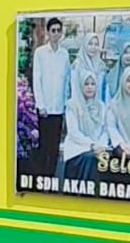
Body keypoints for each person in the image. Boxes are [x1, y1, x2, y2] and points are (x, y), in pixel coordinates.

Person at [31, 17, 69, 177]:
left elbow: (66, 80)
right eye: (53, 30)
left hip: (58, 109)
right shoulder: (40, 53)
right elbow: (37, 79)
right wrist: (41, 105)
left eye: (58, 30)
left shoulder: (64, 54)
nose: (56, 34)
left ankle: (51, 178)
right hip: (44, 109)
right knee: (44, 146)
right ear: (48, 32)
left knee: (54, 147)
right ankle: (41, 179)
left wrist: (65, 105)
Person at [60, 71, 111, 181]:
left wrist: (101, 145)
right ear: (80, 86)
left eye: (93, 84)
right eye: (86, 84)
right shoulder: (72, 105)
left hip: (97, 147)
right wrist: (91, 145)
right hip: (77, 148)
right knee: (91, 159)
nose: (89, 87)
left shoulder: (101, 106)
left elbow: (105, 131)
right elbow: (73, 133)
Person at [72, 32, 109, 104]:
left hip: (98, 106)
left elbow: (104, 89)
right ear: (85, 45)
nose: (93, 47)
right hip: (80, 106)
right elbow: (74, 89)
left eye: (96, 44)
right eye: (90, 44)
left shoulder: (101, 66)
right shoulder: (78, 65)